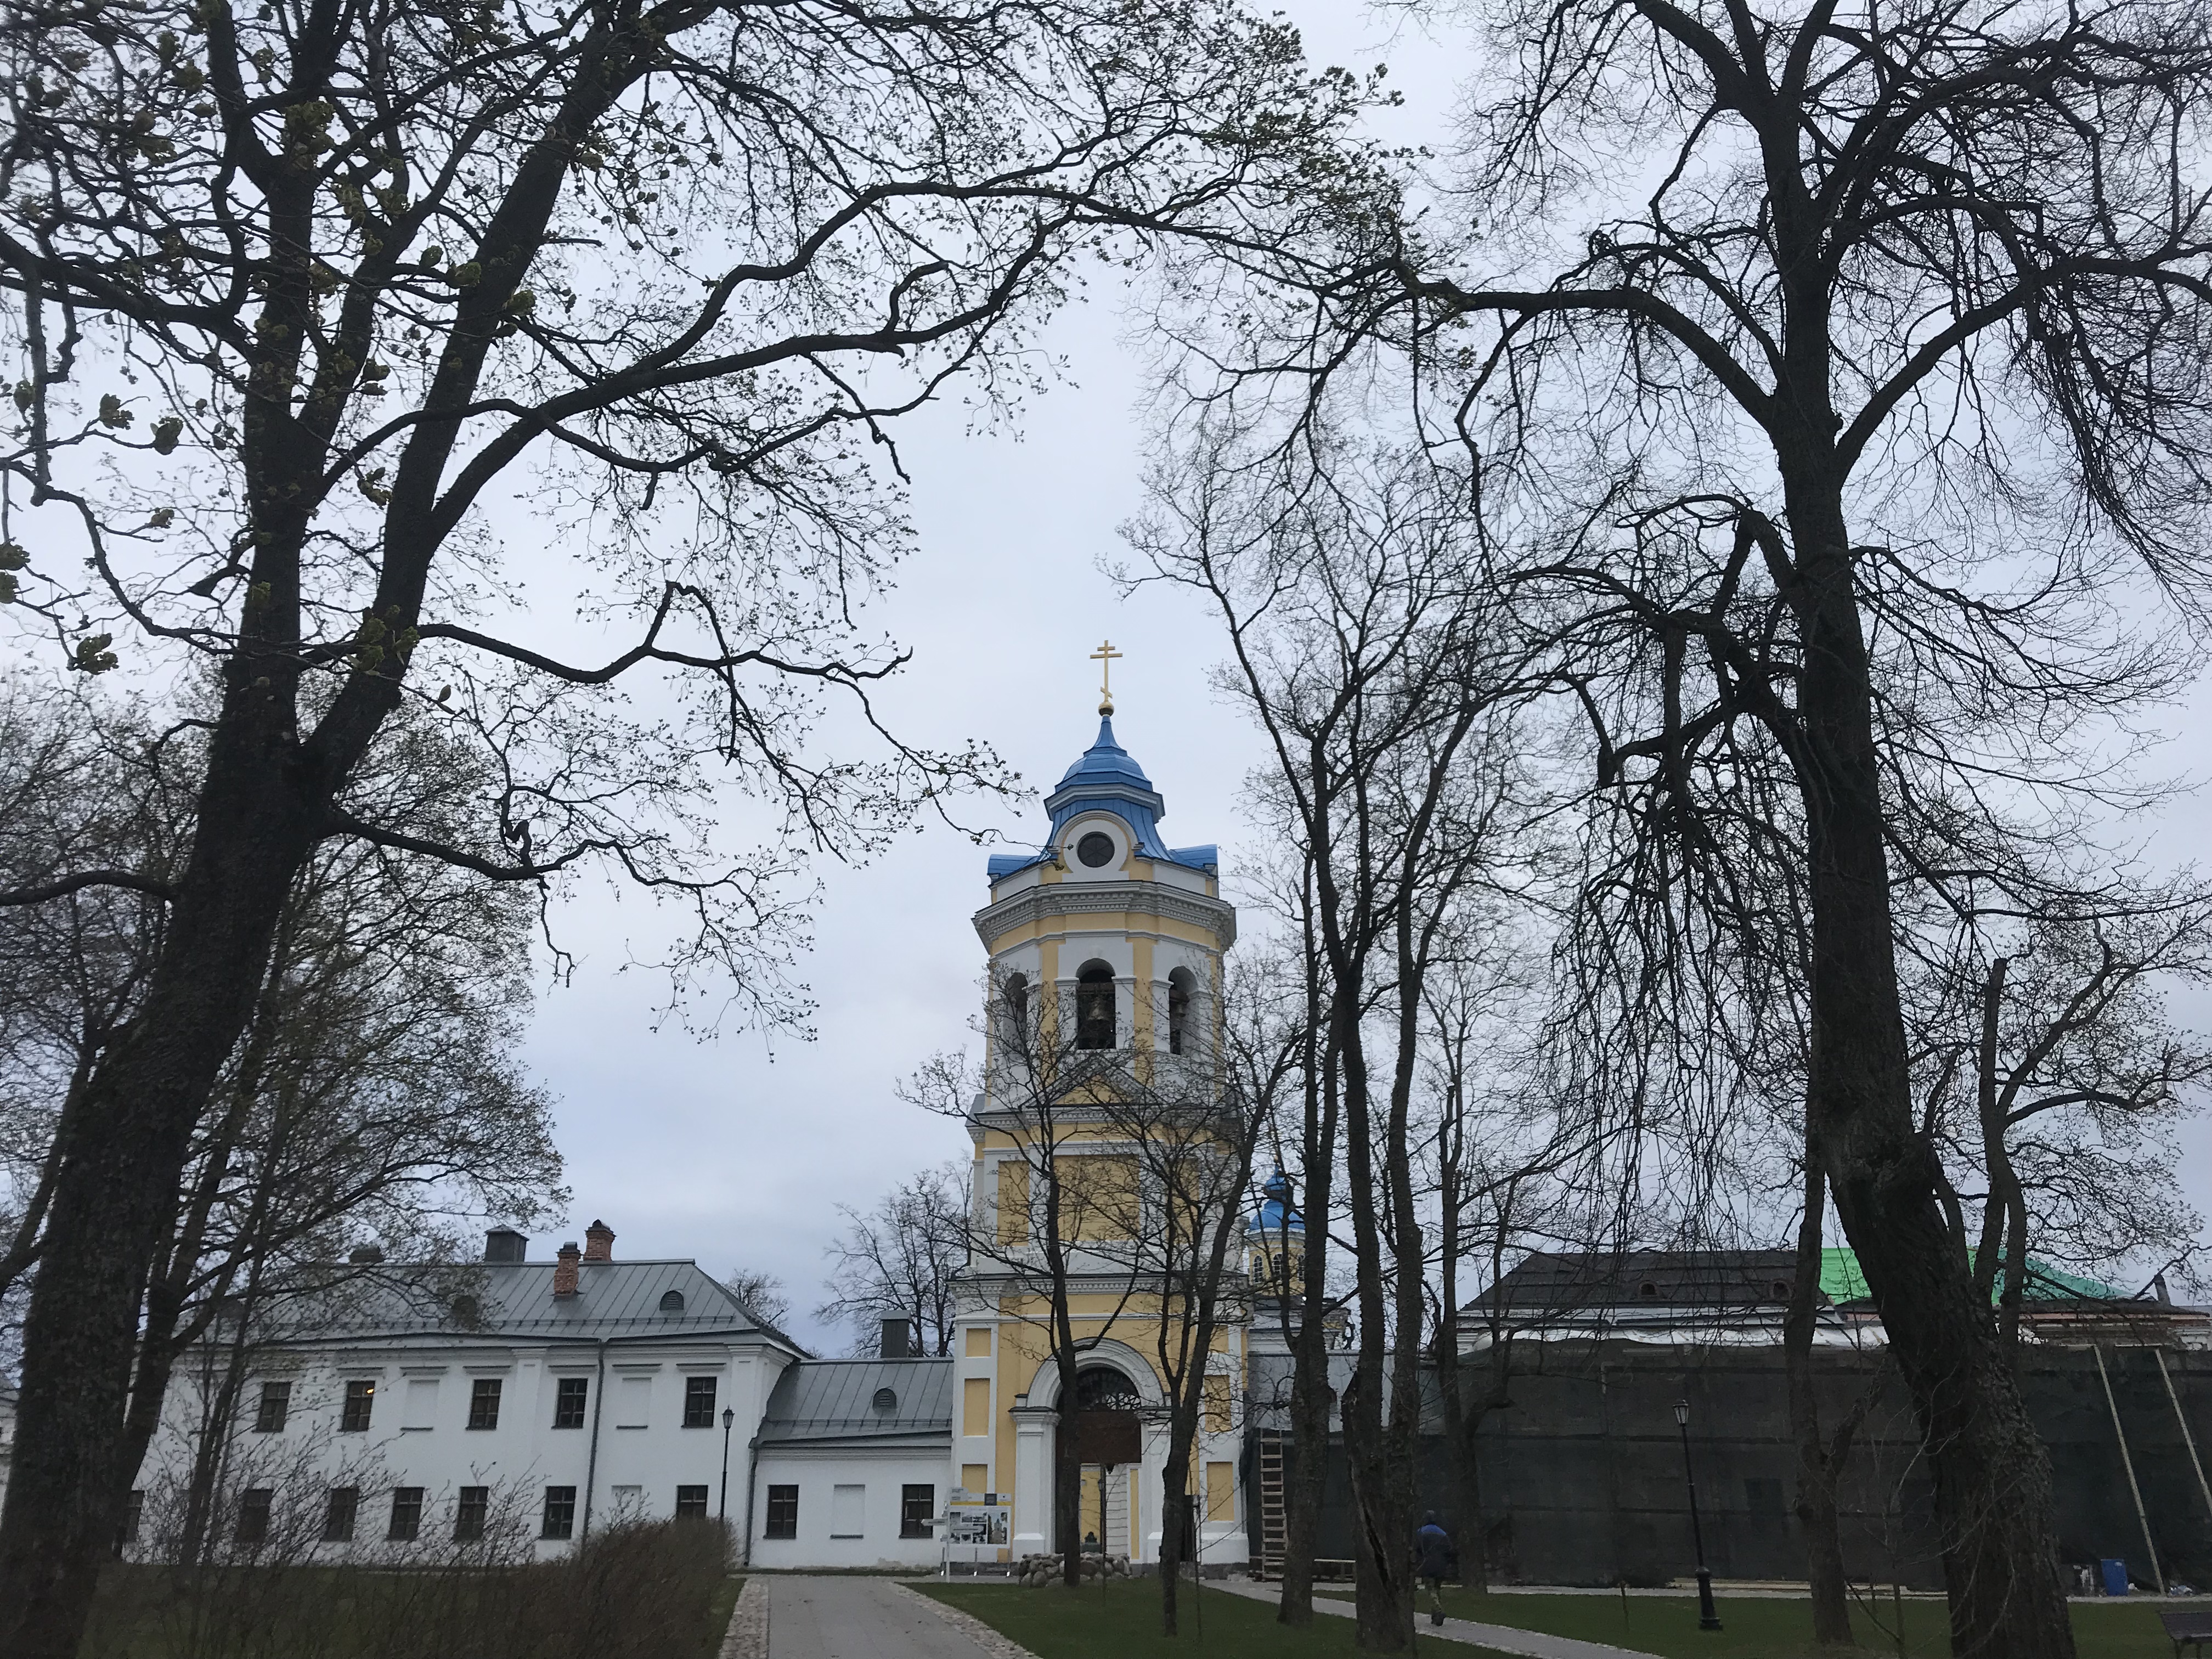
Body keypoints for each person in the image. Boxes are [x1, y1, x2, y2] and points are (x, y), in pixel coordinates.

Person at [1415, 1511, 1454, 1627]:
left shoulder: (1421, 1532)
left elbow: (1417, 1548)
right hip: (1441, 1566)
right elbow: (1450, 1550)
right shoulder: (1442, 1533)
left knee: (1431, 1589)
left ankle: (1438, 1611)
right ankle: (1435, 1618)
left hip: (1427, 1564)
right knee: (1437, 1589)